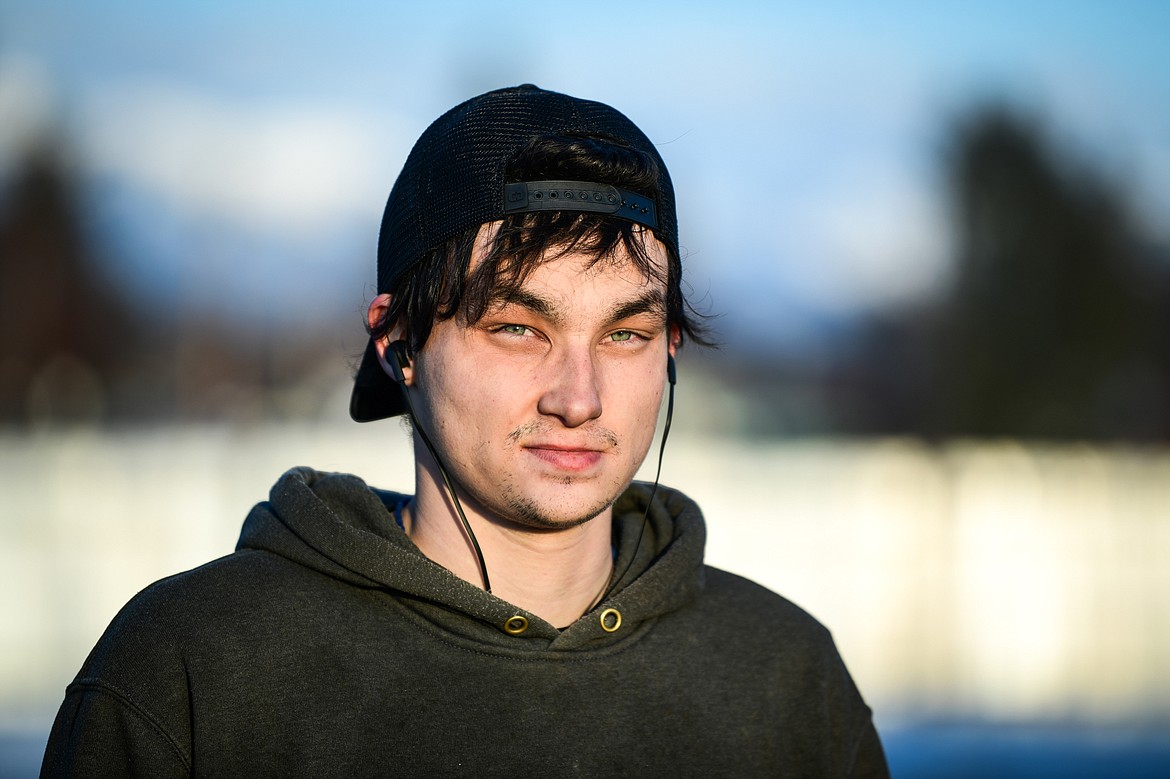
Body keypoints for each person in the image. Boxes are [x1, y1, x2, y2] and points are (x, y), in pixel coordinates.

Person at [42, 84, 888, 776]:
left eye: (625, 333)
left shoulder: (786, 680)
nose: (579, 397)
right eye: (518, 327)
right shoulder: (195, 668)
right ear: (399, 341)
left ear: (669, 348)